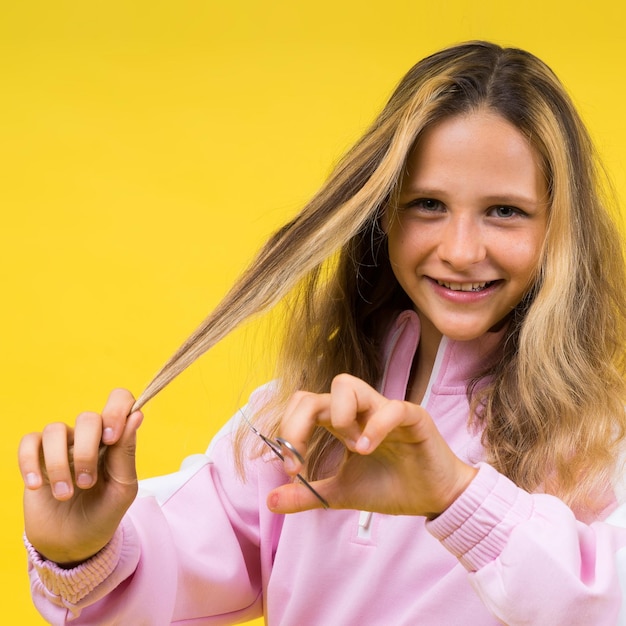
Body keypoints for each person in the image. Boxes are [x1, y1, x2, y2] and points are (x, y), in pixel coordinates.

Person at [18, 40, 626, 625]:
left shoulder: (609, 431)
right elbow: (173, 575)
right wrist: (82, 552)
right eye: (427, 205)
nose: (461, 251)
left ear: (561, 229)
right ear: (381, 212)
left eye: (505, 211)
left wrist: (456, 496)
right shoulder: (300, 416)